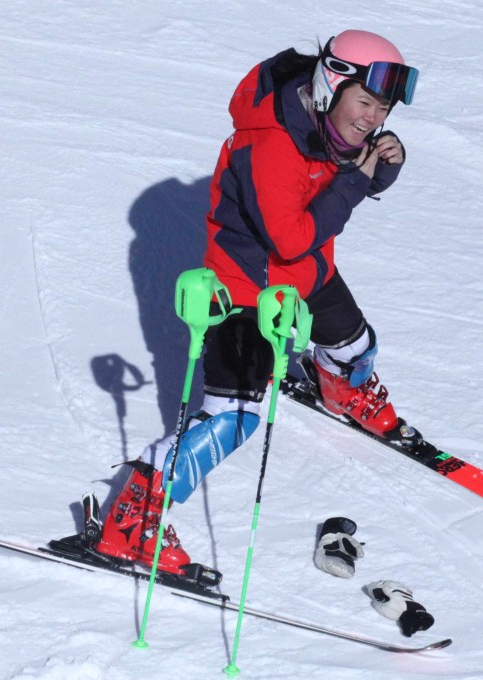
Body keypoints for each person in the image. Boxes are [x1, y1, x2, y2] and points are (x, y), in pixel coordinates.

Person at [95, 30, 419, 574]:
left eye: (382, 106)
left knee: (356, 344)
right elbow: (289, 237)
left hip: (305, 273)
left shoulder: (326, 125)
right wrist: (359, 179)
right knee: (234, 419)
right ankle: (132, 516)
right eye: (365, 101)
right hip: (245, 288)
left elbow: (343, 183)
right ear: (330, 86)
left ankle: (341, 390)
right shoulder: (271, 143)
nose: (372, 116)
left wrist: (382, 164)